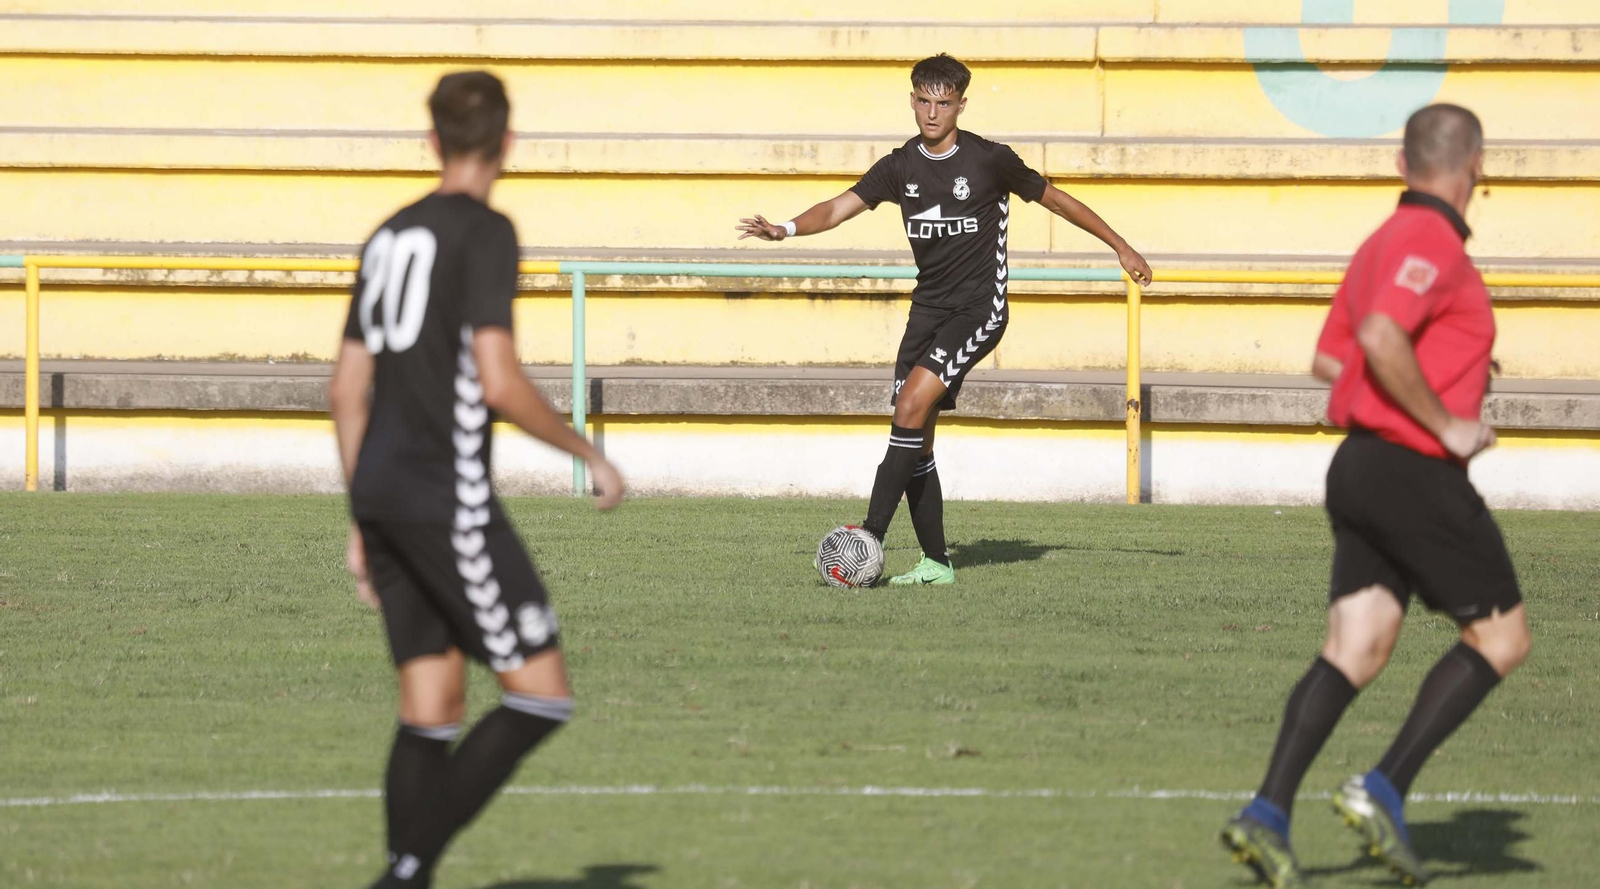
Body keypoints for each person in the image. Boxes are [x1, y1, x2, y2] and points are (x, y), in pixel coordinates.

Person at [327, 70, 625, 889]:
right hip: (444, 498)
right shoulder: (486, 232)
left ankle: (408, 876)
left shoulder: (387, 234)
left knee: (430, 711)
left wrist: (361, 514)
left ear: (431, 141)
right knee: (539, 694)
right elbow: (497, 380)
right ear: (507, 143)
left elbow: (345, 390)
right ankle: (406, 869)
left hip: (382, 492)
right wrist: (587, 450)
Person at [1220, 104, 1531, 888]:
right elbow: (1383, 338)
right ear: (1477, 166)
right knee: (1502, 637)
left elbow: (1333, 361)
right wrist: (1447, 422)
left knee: (1356, 646)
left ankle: (1267, 811)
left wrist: (1440, 370)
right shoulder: (1429, 240)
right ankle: (1383, 786)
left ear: (1401, 162)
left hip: (1357, 466)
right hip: (1409, 468)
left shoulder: (1378, 242)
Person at [737, 53, 1151, 585]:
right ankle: (936, 562)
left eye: (945, 102)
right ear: (912, 101)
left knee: (909, 406)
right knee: (916, 436)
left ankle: (866, 539)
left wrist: (1121, 246)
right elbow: (839, 207)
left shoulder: (989, 160)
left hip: (979, 308)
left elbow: (1058, 200)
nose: (933, 113)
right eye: (924, 101)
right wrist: (786, 229)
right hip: (926, 310)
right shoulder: (900, 166)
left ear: (960, 105)